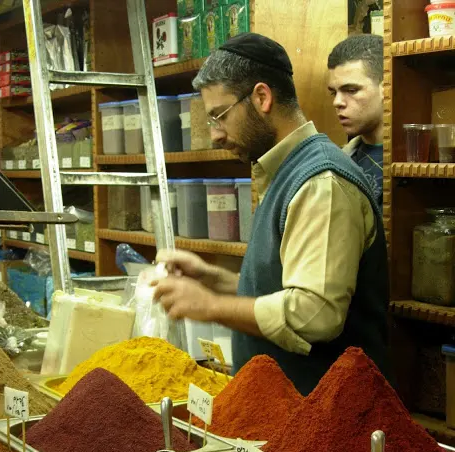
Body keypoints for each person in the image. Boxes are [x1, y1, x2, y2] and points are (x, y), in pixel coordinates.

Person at [154, 33, 389, 395]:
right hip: (290, 416)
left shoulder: (320, 182)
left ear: (262, 97)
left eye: (220, 116)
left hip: (324, 421)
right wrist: (213, 278)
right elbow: (286, 285)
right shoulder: (285, 171)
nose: (216, 135)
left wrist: (212, 306)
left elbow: (314, 313)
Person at [327, 34, 384, 209]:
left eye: (351, 90)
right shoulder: (335, 165)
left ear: (386, 88)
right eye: (333, 93)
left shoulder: (414, 158)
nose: (337, 102)